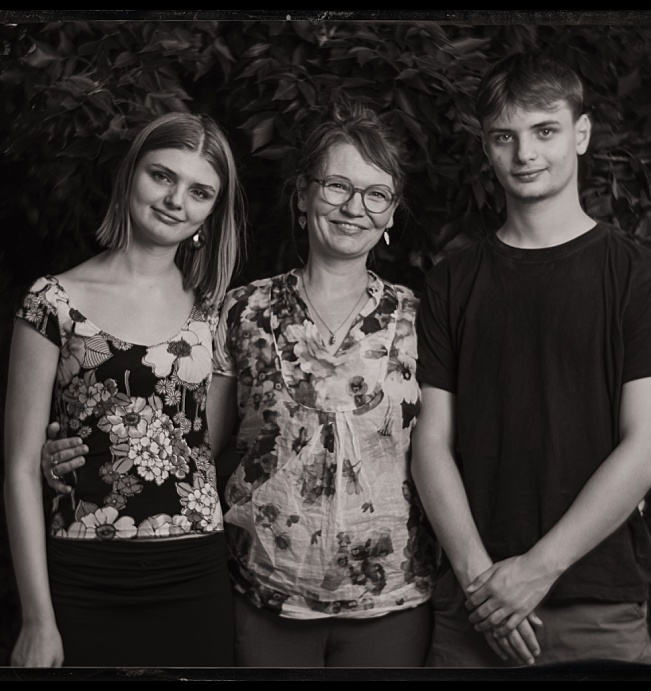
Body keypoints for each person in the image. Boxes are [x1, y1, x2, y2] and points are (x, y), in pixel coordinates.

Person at [42, 98, 439, 667]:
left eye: (375, 194)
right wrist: (74, 452)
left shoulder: (420, 318)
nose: (354, 208)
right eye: (335, 187)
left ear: (392, 213)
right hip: (264, 593)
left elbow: (451, 449)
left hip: (392, 600)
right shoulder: (241, 310)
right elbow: (189, 443)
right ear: (303, 195)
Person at [411, 52, 651, 668]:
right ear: (486, 147)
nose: (525, 154)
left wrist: (534, 574)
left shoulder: (640, 279)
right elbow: (431, 443)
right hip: (472, 607)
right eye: (504, 137)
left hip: (597, 606)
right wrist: (482, 583)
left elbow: (647, 449)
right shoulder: (451, 283)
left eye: (545, 130)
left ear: (582, 134)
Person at [4, 111, 244, 668]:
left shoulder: (220, 313)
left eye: (199, 191)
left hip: (195, 572)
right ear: (130, 174)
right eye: (162, 176)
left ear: (212, 211)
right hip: (83, 572)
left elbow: (203, 449)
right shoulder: (52, 301)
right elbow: (18, 468)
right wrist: (37, 619)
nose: (175, 199)